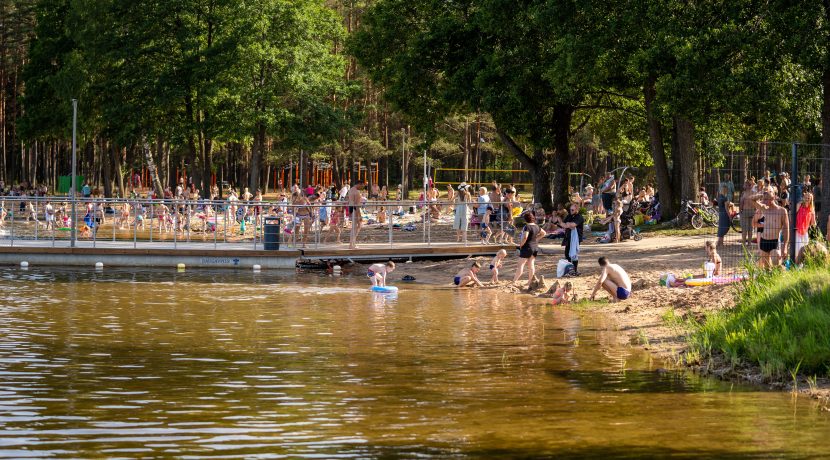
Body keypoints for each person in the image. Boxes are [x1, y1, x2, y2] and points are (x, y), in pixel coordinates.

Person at [755, 191, 790, 268]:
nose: (764, 201)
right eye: (763, 199)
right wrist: (762, 194)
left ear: (773, 198)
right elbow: (751, 199)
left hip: (774, 241)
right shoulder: (764, 208)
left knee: (776, 264)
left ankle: (780, 277)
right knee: (767, 268)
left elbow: (786, 229)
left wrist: (785, 247)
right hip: (764, 240)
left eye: (766, 199)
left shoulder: (782, 211)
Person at [513, 212, 546, 285]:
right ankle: (530, 281)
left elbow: (525, 237)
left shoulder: (527, 226)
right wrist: (536, 239)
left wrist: (521, 245)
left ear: (525, 219)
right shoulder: (537, 226)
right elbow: (544, 233)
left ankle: (514, 281)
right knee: (531, 265)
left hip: (527, 247)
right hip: (535, 247)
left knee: (520, 265)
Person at [559, 203, 584, 275]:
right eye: (570, 210)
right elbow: (563, 225)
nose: (571, 211)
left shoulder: (579, 217)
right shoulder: (569, 216)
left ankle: (575, 270)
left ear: (577, 210)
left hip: (576, 238)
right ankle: (569, 269)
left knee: (574, 254)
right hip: (568, 236)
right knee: (567, 254)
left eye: (572, 210)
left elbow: (573, 225)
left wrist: (567, 225)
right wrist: (567, 225)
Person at [795, 192, 816, 257]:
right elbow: (792, 215)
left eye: (809, 198)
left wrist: (814, 225)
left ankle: (802, 265)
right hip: (797, 230)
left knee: (805, 250)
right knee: (797, 249)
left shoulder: (811, 209)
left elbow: (813, 223)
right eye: (806, 197)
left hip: (805, 232)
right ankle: (796, 263)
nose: (807, 199)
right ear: (803, 198)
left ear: (811, 200)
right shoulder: (799, 205)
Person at [347, 180, 365, 249]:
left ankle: (351, 244)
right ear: (359, 184)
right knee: (358, 226)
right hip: (355, 209)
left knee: (354, 227)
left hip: (351, 209)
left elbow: (350, 201)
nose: (362, 188)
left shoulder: (351, 190)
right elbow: (357, 205)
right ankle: (352, 244)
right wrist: (359, 215)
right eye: (362, 186)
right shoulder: (357, 192)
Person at [739, 181, 757, 245]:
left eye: (744, 185)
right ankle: (749, 243)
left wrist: (740, 211)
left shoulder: (744, 193)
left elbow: (741, 203)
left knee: (744, 228)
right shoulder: (754, 193)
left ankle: (744, 243)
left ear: (747, 186)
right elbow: (756, 203)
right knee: (750, 228)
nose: (743, 186)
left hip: (745, 211)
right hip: (752, 211)